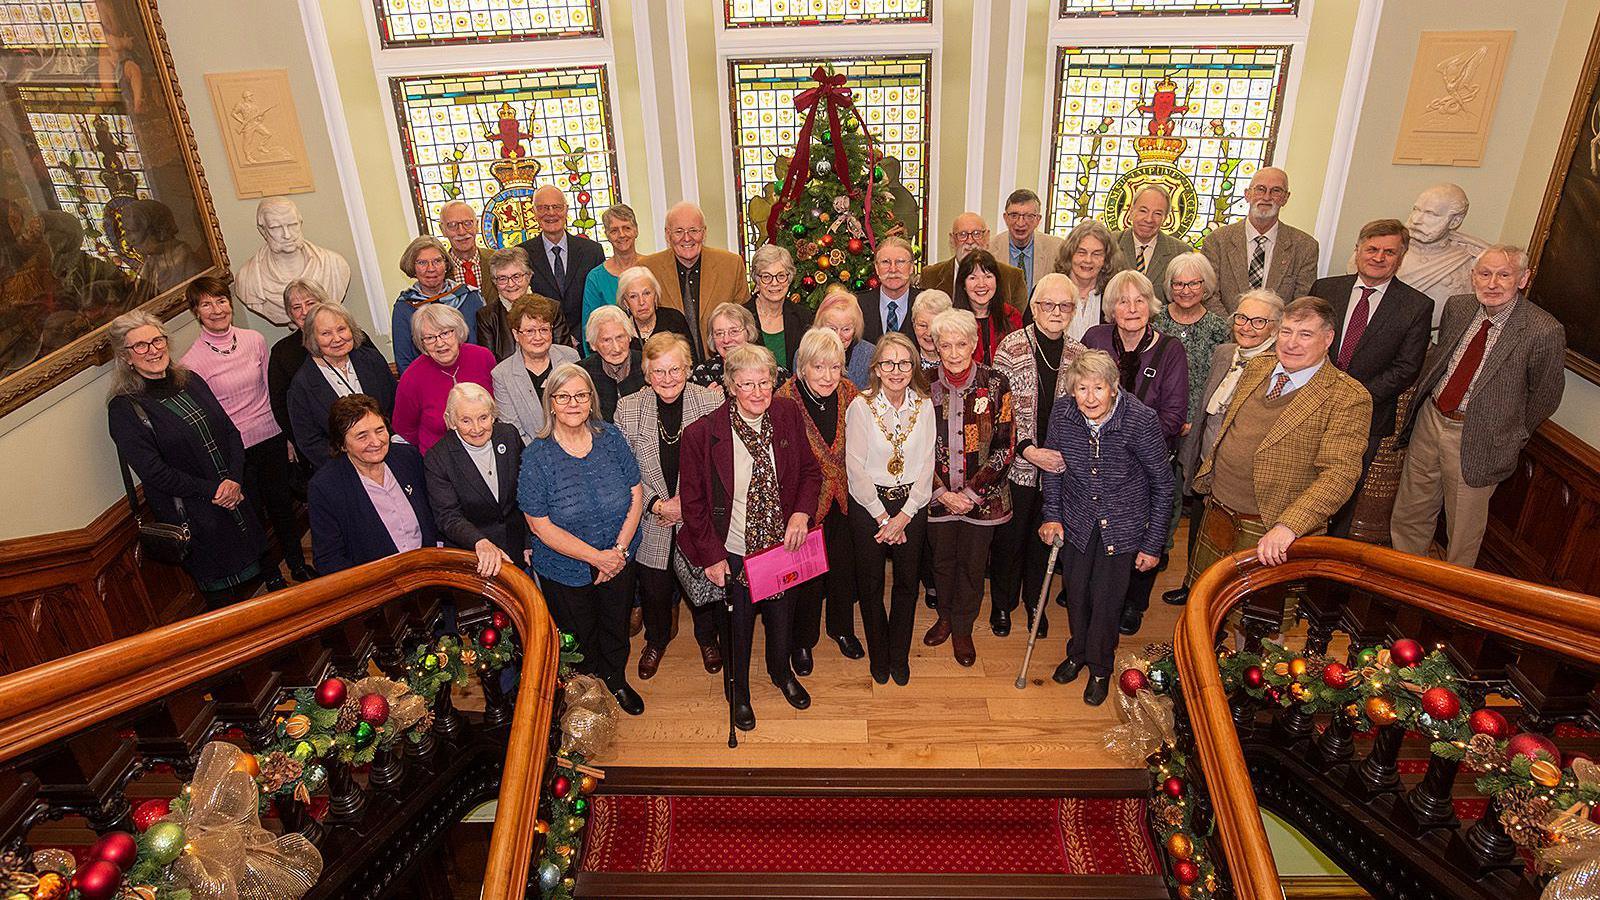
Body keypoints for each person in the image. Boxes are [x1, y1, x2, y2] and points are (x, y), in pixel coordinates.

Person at [1390, 245, 1565, 568]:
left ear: (1523, 279)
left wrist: (1511, 433)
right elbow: (1443, 359)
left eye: (1504, 275)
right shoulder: (1459, 307)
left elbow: (1546, 395)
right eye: (1485, 274)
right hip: (1432, 417)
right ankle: (1404, 578)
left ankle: (1450, 603)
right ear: (1473, 277)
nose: (1492, 283)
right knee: (1411, 509)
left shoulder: (1543, 331)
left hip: (1480, 436)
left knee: (1463, 530)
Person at [678, 344, 821, 731]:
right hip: (733, 551)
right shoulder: (701, 434)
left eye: (764, 383)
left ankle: (781, 672)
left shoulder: (787, 414)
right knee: (737, 627)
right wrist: (711, 556)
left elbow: (810, 472)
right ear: (730, 386)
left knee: (782, 618)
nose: (758, 393)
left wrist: (800, 515)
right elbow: (692, 504)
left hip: (781, 546)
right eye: (746, 385)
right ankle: (738, 690)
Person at [1189, 297, 1371, 586]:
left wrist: (1289, 526)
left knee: (1260, 622)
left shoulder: (1347, 396)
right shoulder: (1258, 367)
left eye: (1305, 334)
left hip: (1274, 527)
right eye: (1286, 331)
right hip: (1219, 510)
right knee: (1206, 596)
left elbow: (1340, 474)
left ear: (1328, 339)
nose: (1291, 343)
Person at [1038, 350, 1173, 706]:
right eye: (1081, 389)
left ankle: (1100, 666)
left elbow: (1163, 484)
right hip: (1078, 518)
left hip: (1124, 524)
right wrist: (1051, 515)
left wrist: (1152, 543)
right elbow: (1053, 466)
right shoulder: (1064, 413)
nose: (1090, 398)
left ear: (1114, 387)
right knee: (1076, 592)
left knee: (1107, 599)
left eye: (1098, 388)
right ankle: (1078, 652)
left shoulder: (1140, 420)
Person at [108, 310, 267, 608]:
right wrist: (214, 491)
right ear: (126, 357)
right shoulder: (124, 410)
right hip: (196, 515)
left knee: (259, 585)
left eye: (157, 340)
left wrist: (233, 479)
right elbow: (154, 472)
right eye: (140, 346)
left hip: (235, 497)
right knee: (226, 603)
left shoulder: (191, 380)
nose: (153, 350)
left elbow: (230, 430)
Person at [519, 363, 646, 715]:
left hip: (620, 558)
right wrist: (597, 557)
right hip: (566, 570)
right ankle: (588, 694)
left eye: (581, 395)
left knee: (616, 627)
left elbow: (636, 493)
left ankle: (617, 680)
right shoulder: (536, 456)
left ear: (591, 400)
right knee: (580, 636)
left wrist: (617, 552)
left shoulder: (611, 437)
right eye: (563, 396)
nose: (573, 403)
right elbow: (540, 525)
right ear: (551, 403)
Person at [177, 277, 307, 586]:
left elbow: (271, 390)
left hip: (272, 437)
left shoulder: (254, 340)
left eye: (221, 301)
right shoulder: (190, 363)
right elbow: (209, 417)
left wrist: (286, 436)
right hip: (236, 451)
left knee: (282, 507)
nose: (216, 309)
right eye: (206, 304)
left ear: (230, 304)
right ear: (196, 312)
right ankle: (271, 574)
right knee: (254, 515)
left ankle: (298, 565)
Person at [1309, 219, 1433, 536]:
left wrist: (1353, 397)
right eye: (1372, 249)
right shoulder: (1325, 289)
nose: (1379, 257)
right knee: (1299, 483)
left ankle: (1327, 568)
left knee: (1343, 495)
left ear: (1400, 257)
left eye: (1389, 252)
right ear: (1359, 250)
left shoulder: (1417, 306)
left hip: (1368, 415)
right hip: (1310, 405)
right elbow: (1306, 342)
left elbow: (1407, 368)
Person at [1082, 270, 1189, 634]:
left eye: (1140, 300)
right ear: (1110, 308)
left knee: (1143, 531)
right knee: (1100, 527)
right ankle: (1094, 589)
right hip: (1096, 459)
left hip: (1146, 461)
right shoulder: (1095, 338)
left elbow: (1174, 415)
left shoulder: (1170, 349)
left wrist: (1126, 442)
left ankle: (1134, 603)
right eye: (1123, 301)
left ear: (1151, 306)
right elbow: (1079, 392)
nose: (1131, 308)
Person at [1164, 289, 1283, 606]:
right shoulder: (1224, 353)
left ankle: (1222, 598)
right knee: (1200, 531)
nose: (1247, 326)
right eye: (1242, 318)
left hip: (1239, 471)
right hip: (1207, 461)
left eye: (1259, 321)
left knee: (1229, 540)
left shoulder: (1278, 368)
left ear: (1275, 326)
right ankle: (1193, 586)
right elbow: (1206, 407)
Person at [616, 334, 724, 679]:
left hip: (698, 515)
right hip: (652, 518)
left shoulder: (708, 404)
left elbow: (719, 468)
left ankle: (708, 638)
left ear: (688, 369)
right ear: (646, 373)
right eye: (659, 371)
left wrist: (687, 507)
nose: (667, 378)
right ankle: (657, 639)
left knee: (704, 580)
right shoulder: (628, 408)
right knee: (654, 587)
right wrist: (657, 505)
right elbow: (623, 469)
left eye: (675, 369)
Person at [988, 274, 1085, 638]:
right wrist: (1029, 450)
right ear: (1034, 306)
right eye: (1048, 304)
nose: (1056, 312)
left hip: (1060, 468)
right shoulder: (1011, 347)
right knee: (1010, 541)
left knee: (1044, 540)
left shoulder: (1079, 354)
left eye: (1065, 306)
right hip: (1017, 466)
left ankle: (1035, 603)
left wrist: (1059, 456)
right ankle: (1002, 604)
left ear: (1074, 311)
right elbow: (999, 410)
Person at [923, 309, 1015, 668]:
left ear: (975, 344)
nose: (955, 352)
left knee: (972, 567)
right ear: (936, 347)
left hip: (985, 498)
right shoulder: (923, 382)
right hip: (936, 495)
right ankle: (944, 617)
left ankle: (963, 626)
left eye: (962, 344)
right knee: (942, 562)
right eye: (946, 345)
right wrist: (942, 492)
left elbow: (1006, 444)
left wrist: (972, 494)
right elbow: (913, 444)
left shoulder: (996, 383)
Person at [846, 333, 935, 685]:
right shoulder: (861, 406)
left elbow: (927, 464)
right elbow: (855, 467)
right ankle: (879, 653)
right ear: (876, 369)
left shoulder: (925, 405)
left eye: (904, 363)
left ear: (913, 367)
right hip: (870, 505)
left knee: (907, 584)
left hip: (911, 505)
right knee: (870, 584)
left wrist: (905, 515)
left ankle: (899, 653)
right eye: (888, 363)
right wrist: (883, 517)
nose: (896, 370)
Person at [777, 328, 863, 673]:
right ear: (802, 367)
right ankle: (802, 642)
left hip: (846, 497)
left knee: (844, 568)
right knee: (808, 577)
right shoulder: (784, 400)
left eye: (834, 367)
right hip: (804, 502)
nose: (827, 376)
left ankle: (841, 629)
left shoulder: (850, 392)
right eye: (818, 367)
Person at [308, 394, 436, 574]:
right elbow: (328, 559)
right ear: (342, 444)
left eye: (379, 430)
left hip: (431, 572)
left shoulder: (408, 458)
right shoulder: (325, 488)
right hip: (379, 588)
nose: (376, 442)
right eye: (362, 436)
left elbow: (435, 514)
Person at [424, 383, 526, 578]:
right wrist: (480, 542)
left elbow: (529, 492)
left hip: (519, 546)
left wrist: (529, 540)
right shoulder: (438, 458)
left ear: (493, 415)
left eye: (483, 417)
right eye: (466, 421)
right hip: (475, 555)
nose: (477, 428)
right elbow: (447, 516)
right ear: (451, 421)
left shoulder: (508, 435)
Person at [287, 301, 397, 469]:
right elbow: (310, 442)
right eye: (326, 333)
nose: (337, 339)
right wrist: (354, 464)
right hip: (344, 468)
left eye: (341, 329)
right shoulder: (302, 386)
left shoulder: (372, 360)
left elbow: (395, 405)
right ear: (312, 338)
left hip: (390, 454)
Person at [1201, 167, 1319, 314]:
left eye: (1276, 191)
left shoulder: (1305, 247)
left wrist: (1272, 332)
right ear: (1247, 194)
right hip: (1225, 332)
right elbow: (1209, 295)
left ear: (1285, 198)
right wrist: (1234, 329)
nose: (1267, 197)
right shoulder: (1217, 241)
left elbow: (1301, 304)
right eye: (1260, 189)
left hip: (1276, 334)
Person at [642, 202, 750, 357]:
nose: (687, 238)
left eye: (694, 230)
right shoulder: (648, 270)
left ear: (704, 232)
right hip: (671, 371)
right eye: (679, 231)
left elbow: (745, 323)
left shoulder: (731, 265)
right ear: (667, 234)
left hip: (723, 365)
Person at [393, 303, 496, 453]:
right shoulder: (412, 377)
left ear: (458, 331)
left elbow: (497, 405)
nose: (440, 343)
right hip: (440, 458)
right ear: (421, 342)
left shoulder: (483, 357)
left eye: (445, 333)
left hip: (487, 447)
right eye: (429, 337)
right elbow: (404, 427)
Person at [517, 185, 604, 345]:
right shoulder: (522, 254)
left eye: (557, 207)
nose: (551, 213)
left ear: (566, 210)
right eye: (543, 208)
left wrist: (577, 336)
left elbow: (598, 301)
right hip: (541, 343)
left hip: (585, 342)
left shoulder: (592, 251)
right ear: (534, 213)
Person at [491, 293, 581, 445]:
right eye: (530, 331)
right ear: (516, 334)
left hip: (577, 444)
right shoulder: (502, 375)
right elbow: (514, 431)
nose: (538, 337)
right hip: (533, 455)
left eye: (544, 329)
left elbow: (582, 407)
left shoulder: (570, 358)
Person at [392, 235, 484, 375]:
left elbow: (484, 348)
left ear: (446, 264)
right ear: (412, 266)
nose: (431, 268)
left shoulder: (470, 297)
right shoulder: (404, 307)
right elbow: (404, 361)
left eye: (437, 261)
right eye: (422, 263)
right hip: (428, 383)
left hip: (473, 377)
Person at [917, 212, 1026, 313]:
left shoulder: (1012, 277)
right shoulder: (930, 276)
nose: (970, 241)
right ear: (952, 240)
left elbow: (1017, 328)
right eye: (962, 234)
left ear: (987, 237)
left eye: (977, 234)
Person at [267, 279, 329, 444]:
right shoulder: (282, 352)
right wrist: (300, 441)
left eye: (310, 303)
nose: (305, 311)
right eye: (296, 307)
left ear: (323, 304)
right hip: (316, 444)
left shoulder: (350, 336)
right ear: (290, 313)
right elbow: (280, 406)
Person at [478, 247, 565, 359]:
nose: (510, 284)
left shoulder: (553, 308)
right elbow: (490, 363)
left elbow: (562, 355)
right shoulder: (486, 317)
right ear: (494, 282)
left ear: (529, 276)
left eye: (516, 277)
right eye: (502, 278)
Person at [689, 302, 792, 394]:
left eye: (734, 331)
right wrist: (707, 403)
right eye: (719, 333)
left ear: (748, 332)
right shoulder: (701, 375)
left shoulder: (773, 371)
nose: (726, 340)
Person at [582, 204, 644, 349]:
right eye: (614, 230)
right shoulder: (595, 278)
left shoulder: (652, 268)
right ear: (607, 235)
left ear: (636, 230)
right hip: (611, 356)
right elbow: (589, 330)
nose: (622, 235)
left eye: (627, 228)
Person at [1114, 186, 1190, 301]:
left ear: (1165, 219)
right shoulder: (1109, 244)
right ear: (1131, 212)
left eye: (1157, 213)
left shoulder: (1181, 252)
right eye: (1143, 211)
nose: (1149, 219)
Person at [1054, 219, 1123, 342]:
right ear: (1070, 254)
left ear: (1106, 259)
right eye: (1081, 252)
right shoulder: (1047, 290)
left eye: (1096, 254)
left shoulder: (1115, 296)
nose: (1088, 260)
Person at [952, 249, 1023, 366]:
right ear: (963, 284)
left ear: (997, 281)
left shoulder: (1012, 317)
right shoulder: (952, 322)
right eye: (973, 278)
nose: (981, 284)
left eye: (988, 276)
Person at [747, 244, 812, 368]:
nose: (775, 283)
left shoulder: (803, 317)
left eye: (781, 276)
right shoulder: (742, 317)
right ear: (757, 279)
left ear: (789, 278)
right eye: (766, 277)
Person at [989, 189, 1063, 295]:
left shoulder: (1057, 249)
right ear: (1005, 218)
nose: (1020, 223)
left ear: (1038, 219)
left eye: (1029, 216)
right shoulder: (989, 249)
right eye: (1014, 215)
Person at [579, 305, 644, 422]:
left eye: (620, 337)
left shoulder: (648, 365)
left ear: (629, 337)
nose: (616, 348)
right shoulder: (581, 374)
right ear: (593, 345)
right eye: (606, 340)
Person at [855, 236, 920, 343]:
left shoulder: (926, 304)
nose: (893, 269)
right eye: (885, 262)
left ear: (912, 267)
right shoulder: (858, 306)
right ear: (876, 268)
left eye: (900, 262)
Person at [617, 265, 694, 353]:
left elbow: (691, 360)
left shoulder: (674, 320)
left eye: (646, 293)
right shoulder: (621, 331)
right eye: (633, 296)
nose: (641, 302)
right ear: (625, 303)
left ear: (656, 296)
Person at [813, 287, 876, 388]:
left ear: (856, 328)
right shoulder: (805, 354)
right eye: (832, 329)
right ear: (821, 326)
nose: (837, 336)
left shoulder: (870, 355)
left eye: (846, 329)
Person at [438, 200, 497, 307]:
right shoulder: (437, 270)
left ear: (477, 225)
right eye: (452, 225)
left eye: (468, 223)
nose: (461, 231)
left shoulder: (498, 260)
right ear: (443, 230)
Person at [909, 290, 952, 375]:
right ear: (914, 325)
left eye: (935, 326)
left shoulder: (958, 363)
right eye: (923, 325)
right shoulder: (904, 363)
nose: (929, 333)